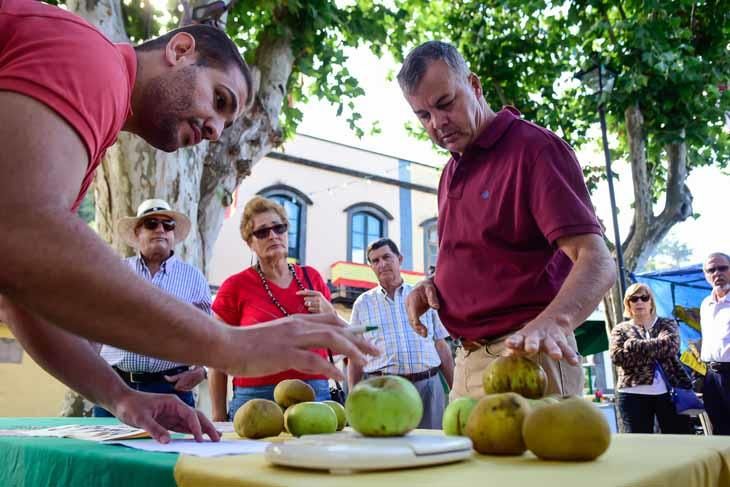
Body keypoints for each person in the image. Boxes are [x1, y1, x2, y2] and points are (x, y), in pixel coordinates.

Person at [0, 0, 376, 443]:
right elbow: (20, 228)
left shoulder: (91, 130)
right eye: (219, 100)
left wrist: (121, 399)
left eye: (225, 122)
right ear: (180, 49)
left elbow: (20, 293)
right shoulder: (94, 59)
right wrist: (229, 345)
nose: (216, 131)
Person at [398, 41, 616, 400]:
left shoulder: (535, 149)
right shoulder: (449, 171)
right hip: (465, 361)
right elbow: (492, 257)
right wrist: (435, 285)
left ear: (475, 85)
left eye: (445, 103)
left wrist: (555, 322)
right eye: (423, 115)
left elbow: (598, 260)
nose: (437, 123)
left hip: (528, 358)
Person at [209, 197, 336, 420]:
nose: (273, 235)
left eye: (279, 228)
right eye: (262, 232)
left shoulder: (312, 277)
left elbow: (335, 339)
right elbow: (217, 355)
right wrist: (219, 415)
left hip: (314, 392)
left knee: (313, 455)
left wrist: (329, 312)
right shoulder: (234, 286)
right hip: (255, 397)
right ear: (250, 243)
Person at [94, 199, 211, 417]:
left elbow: (209, 333)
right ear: (138, 232)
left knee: (171, 451)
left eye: (168, 225)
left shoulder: (194, 278)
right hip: (114, 387)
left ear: (173, 235)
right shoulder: (113, 271)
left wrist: (202, 370)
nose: (160, 230)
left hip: (171, 390)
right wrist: (91, 374)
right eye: (151, 224)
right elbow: (93, 326)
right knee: (108, 451)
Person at [348, 238, 454, 429]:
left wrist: (454, 387)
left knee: (431, 449)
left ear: (399, 258)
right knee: (388, 451)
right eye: (375, 260)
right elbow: (355, 354)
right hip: (381, 390)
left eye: (387, 257)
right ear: (371, 266)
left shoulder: (422, 295)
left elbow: (440, 344)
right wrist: (352, 396)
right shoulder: (362, 304)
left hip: (428, 387)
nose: (382, 264)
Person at [609, 283, 693, 434]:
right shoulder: (620, 329)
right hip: (631, 394)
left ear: (651, 302)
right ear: (628, 304)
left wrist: (632, 344)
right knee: (639, 447)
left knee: (679, 443)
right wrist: (656, 351)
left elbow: (670, 347)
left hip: (670, 393)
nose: (639, 302)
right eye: (634, 299)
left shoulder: (666, 324)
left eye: (644, 297)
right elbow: (618, 357)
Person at [699, 252, 730, 435]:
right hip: (711, 376)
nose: (717, 273)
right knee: (719, 430)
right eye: (711, 269)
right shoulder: (705, 304)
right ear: (706, 275)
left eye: (722, 268)